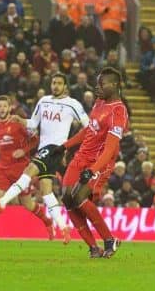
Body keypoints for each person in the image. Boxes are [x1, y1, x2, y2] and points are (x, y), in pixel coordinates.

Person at [0, 73, 89, 243]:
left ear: (65, 86)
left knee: (28, 170)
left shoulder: (73, 104)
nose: (55, 86)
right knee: (46, 192)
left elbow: (88, 126)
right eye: (53, 82)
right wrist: (21, 120)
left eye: (59, 83)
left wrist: (71, 146)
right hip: (43, 148)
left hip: (55, 148)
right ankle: (64, 228)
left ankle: (1, 202)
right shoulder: (43, 101)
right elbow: (33, 123)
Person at [58, 67, 128, 258]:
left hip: (99, 162)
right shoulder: (98, 103)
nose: (98, 87)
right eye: (97, 83)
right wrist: (65, 146)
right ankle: (93, 248)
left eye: (102, 83)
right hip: (81, 156)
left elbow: (110, 148)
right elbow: (88, 130)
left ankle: (109, 239)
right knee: (67, 198)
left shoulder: (118, 111)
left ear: (114, 85)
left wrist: (93, 169)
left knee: (79, 197)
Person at [0, 95, 53, 245]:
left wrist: (23, 151)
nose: (2, 109)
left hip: (21, 170)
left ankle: (48, 222)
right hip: (2, 169)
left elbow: (35, 139)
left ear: (10, 108)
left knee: (27, 204)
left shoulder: (18, 124)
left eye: (4, 106)